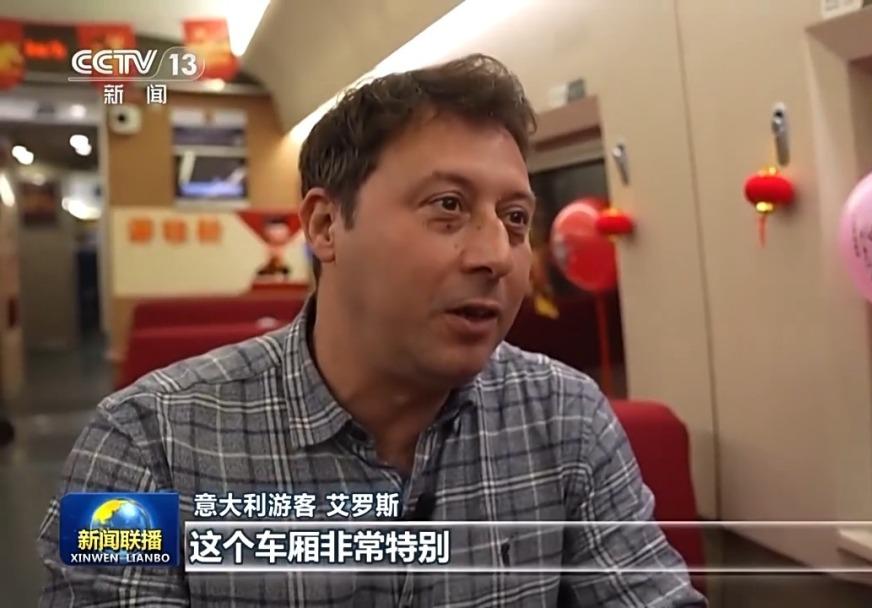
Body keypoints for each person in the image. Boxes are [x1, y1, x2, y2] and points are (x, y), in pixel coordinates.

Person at [38, 53, 706, 607]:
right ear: (326, 226)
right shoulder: (141, 447)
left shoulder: (566, 418)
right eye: (448, 206)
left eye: (513, 218)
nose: (497, 256)